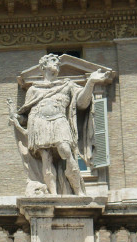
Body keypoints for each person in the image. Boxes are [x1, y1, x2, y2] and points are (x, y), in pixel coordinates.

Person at [8, 53, 109, 195]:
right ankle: (53, 194)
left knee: (66, 151)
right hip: (39, 124)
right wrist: (17, 118)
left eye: (57, 61)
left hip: (59, 120)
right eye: (53, 60)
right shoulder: (33, 89)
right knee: (46, 158)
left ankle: (79, 191)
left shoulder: (67, 85)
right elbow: (26, 116)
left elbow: (81, 103)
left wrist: (90, 83)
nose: (57, 62)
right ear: (43, 66)